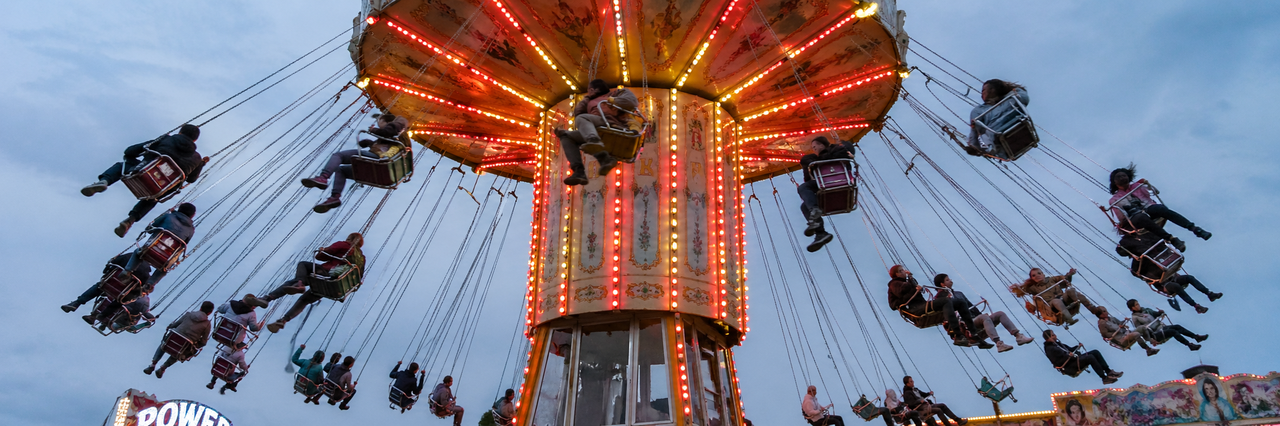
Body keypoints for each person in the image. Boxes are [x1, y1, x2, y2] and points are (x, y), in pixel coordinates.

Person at [81, 124, 208, 237]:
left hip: (142, 173)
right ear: (195, 140)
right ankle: (130, 220)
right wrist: (201, 164)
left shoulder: (166, 139)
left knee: (122, 165)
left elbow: (130, 151)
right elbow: (192, 179)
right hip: (159, 188)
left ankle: (105, 181)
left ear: (180, 132)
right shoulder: (197, 159)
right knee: (154, 198)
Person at [301, 113, 410, 213]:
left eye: (379, 121)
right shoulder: (398, 139)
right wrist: (370, 143)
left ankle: (323, 177)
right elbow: (389, 145)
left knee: (339, 155)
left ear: (386, 122)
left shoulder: (396, 125)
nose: (378, 124)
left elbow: (387, 133)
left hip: (378, 159)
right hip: (383, 171)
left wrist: (374, 131)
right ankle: (334, 197)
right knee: (341, 170)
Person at [262, 233, 365, 333]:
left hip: (325, 273)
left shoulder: (345, 245)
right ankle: (284, 320)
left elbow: (321, 256)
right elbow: (359, 277)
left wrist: (322, 250)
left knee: (302, 266)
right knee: (305, 300)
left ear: (350, 239)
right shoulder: (361, 259)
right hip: (334, 287)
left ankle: (270, 297)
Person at [554, 79, 640, 185]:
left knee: (582, 118)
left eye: (589, 90)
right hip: (596, 128)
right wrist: (586, 101)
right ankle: (582, 170)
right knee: (566, 136)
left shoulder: (617, 93)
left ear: (592, 89)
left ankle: (593, 140)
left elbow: (632, 102)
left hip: (613, 124)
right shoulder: (588, 102)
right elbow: (578, 113)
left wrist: (612, 100)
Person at [1108, 165, 1210, 252]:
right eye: (1118, 177)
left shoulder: (1138, 186)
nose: (1122, 178)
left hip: (1148, 209)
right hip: (1135, 218)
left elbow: (1155, 192)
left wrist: (1145, 183)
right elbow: (1122, 218)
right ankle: (1171, 239)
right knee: (1141, 217)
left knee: (1160, 209)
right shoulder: (1115, 200)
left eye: (1124, 175)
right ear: (1114, 181)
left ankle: (1194, 229)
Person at [937, 274, 1033, 352]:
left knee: (1000, 314)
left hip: (975, 319)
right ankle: (999, 344)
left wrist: (980, 314)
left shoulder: (959, 294)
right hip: (964, 323)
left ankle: (1018, 336)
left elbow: (971, 306)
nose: (951, 281)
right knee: (983, 318)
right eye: (947, 280)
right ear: (942, 284)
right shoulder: (940, 298)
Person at [886, 265, 976, 346]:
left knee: (959, 302)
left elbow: (909, 288)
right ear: (897, 274)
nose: (905, 271)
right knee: (945, 301)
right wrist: (910, 280)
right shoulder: (894, 284)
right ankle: (957, 334)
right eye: (901, 270)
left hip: (922, 306)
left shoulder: (907, 283)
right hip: (915, 310)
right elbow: (902, 290)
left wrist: (915, 285)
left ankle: (973, 332)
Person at [797, 136, 855, 252]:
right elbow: (808, 177)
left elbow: (845, 152)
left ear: (822, 145)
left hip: (834, 181)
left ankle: (814, 210)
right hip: (828, 186)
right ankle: (821, 233)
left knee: (803, 188)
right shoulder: (814, 160)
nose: (814, 150)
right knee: (804, 206)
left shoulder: (835, 151)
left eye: (815, 147)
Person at [121, 203, 198, 289]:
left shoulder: (168, 216)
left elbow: (150, 229)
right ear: (192, 215)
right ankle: (150, 283)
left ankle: (128, 271)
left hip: (151, 248)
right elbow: (183, 245)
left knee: (138, 253)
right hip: (166, 258)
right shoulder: (191, 230)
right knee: (164, 269)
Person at [61, 253, 152, 313]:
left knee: (100, 286)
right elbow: (141, 286)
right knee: (121, 301)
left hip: (110, 282)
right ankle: (100, 316)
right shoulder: (146, 272)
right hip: (121, 292)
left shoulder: (129, 256)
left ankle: (76, 303)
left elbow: (113, 263)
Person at [144, 301, 214, 378]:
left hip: (174, 337)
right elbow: (203, 342)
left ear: (200, 308)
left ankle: (152, 365)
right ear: (209, 313)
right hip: (185, 344)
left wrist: (170, 326)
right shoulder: (207, 324)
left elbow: (175, 325)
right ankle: (163, 368)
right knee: (182, 351)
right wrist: (196, 344)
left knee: (164, 344)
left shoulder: (189, 314)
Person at [965, 79, 1028, 158]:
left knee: (987, 133)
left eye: (984, 90)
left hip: (1012, 125)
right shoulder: (979, 110)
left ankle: (990, 145)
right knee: (985, 132)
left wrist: (1003, 97)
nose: (982, 93)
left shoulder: (1010, 100)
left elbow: (1023, 98)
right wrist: (973, 146)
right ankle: (992, 146)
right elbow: (975, 130)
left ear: (992, 90)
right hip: (996, 135)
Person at [1017, 268, 1097, 326]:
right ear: (1032, 279)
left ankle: (1089, 307)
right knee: (1056, 301)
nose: (1037, 276)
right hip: (1051, 305)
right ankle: (1069, 319)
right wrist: (1017, 288)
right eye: (1034, 275)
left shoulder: (1052, 279)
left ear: (1043, 274)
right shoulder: (1033, 288)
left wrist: (1069, 274)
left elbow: (1064, 279)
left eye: (1039, 273)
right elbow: (1024, 291)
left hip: (1062, 298)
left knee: (1071, 290)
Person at [1042, 330, 1122, 384]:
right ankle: (1104, 378)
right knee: (1090, 357)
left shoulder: (1058, 344)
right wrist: (1069, 356)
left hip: (1073, 360)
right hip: (1069, 366)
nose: (1055, 336)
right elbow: (1058, 361)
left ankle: (1108, 371)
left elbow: (1070, 349)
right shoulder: (1050, 349)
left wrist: (1078, 346)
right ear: (1048, 338)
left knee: (1095, 352)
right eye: (1053, 335)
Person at [1128, 299, 1209, 351]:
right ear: (1132, 308)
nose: (1138, 305)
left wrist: (1159, 312)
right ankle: (1189, 345)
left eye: (1138, 304)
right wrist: (1151, 340)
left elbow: (1155, 314)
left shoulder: (1146, 310)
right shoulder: (1135, 318)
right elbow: (1140, 330)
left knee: (1177, 326)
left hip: (1161, 327)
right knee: (1172, 331)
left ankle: (1196, 337)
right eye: (1136, 305)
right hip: (1155, 334)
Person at [1094, 306, 1160, 356]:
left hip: (1127, 333)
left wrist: (1125, 321)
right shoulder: (1102, 323)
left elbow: (1120, 323)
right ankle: (1148, 349)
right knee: (1136, 334)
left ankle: (1151, 340)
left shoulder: (1111, 318)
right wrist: (1117, 331)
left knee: (1142, 327)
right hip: (1121, 339)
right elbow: (1104, 334)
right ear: (1101, 314)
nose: (1107, 312)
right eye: (1104, 311)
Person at [902, 376, 967, 426]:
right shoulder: (907, 393)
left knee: (943, 405)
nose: (913, 382)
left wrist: (929, 393)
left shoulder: (915, 389)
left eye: (912, 380)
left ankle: (958, 420)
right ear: (907, 384)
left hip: (926, 406)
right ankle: (948, 425)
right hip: (921, 410)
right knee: (938, 410)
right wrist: (919, 401)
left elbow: (924, 394)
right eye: (911, 381)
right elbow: (910, 404)